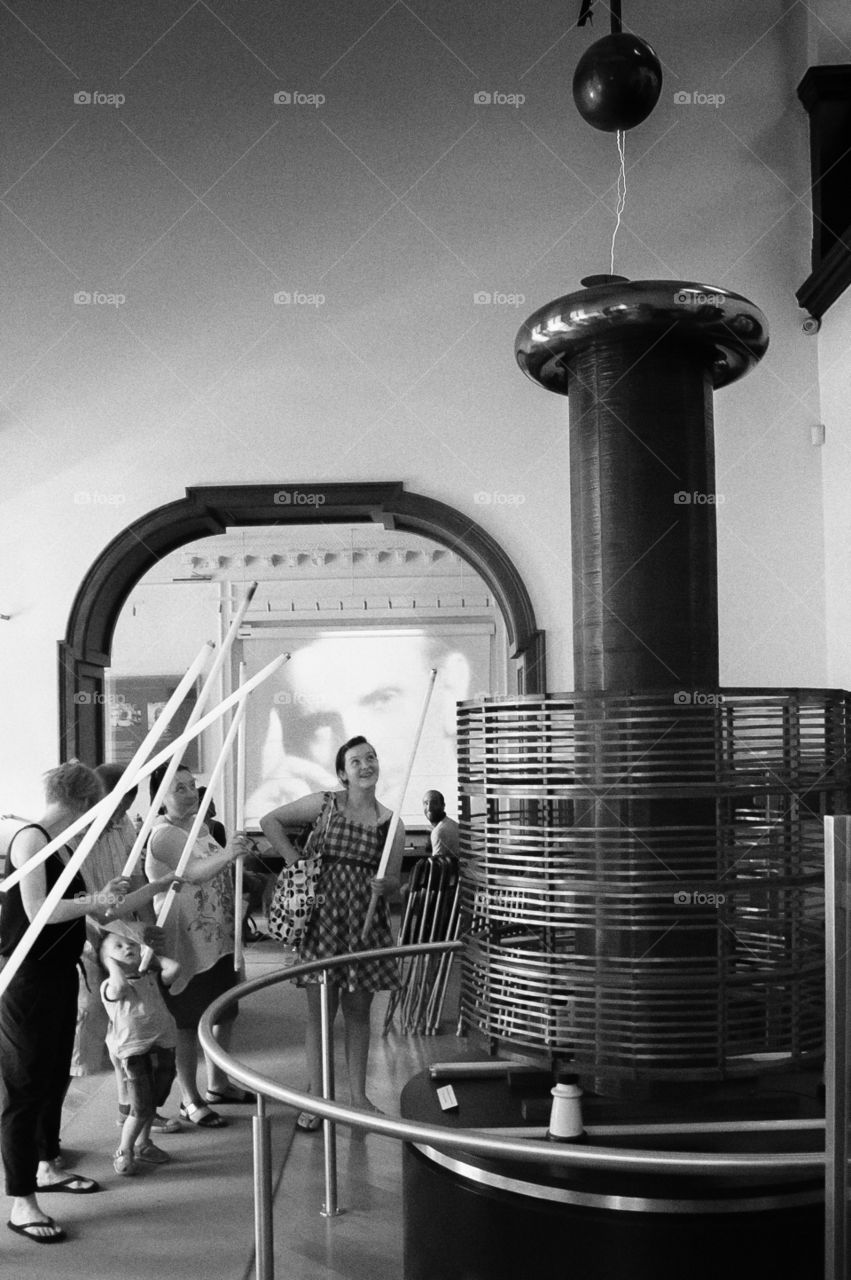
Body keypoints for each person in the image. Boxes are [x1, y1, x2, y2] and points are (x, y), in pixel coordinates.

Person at [0, 760, 176, 1245]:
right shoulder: (34, 839)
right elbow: (40, 911)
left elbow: (97, 910)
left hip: (57, 974)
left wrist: (136, 893)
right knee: (26, 1084)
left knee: (55, 1073)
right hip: (27, 979)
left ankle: (45, 1164)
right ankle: (21, 1200)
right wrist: (93, 900)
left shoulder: (63, 845)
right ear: (82, 801)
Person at [260, 735, 404, 1130]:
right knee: (319, 1014)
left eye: (371, 757)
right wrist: (294, 864)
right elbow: (269, 822)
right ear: (343, 773)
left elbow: (393, 880)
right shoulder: (325, 804)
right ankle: (319, 1102)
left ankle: (358, 1101)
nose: (366, 765)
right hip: (321, 921)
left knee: (358, 1015)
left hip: (364, 924)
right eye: (356, 761)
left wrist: (386, 887)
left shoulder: (392, 823)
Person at [144, 762, 254, 1128]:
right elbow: (193, 872)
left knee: (224, 1012)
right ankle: (188, 1099)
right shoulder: (162, 834)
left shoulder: (201, 826)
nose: (191, 793)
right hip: (184, 940)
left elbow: (217, 872)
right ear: (161, 797)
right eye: (180, 789)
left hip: (216, 936)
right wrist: (232, 851)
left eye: (193, 786)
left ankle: (218, 1085)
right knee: (188, 1021)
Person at [99, 921, 179, 1176]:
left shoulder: (150, 977)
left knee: (154, 1097)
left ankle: (144, 1143)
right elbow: (120, 987)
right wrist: (110, 962)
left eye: (131, 944)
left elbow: (174, 968)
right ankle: (125, 1148)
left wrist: (150, 953)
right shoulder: (109, 986)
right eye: (119, 946)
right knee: (141, 1105)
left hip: (163, 1042)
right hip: (134, 1051)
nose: (127, 948)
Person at [422, 790, 460, 858]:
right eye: (426, 803)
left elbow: (436, 867)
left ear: (443, 806)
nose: (429, 808)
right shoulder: (452, 824)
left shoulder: (439, 832)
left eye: (434, 803)